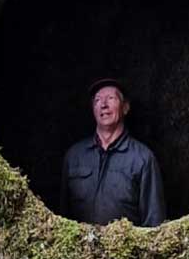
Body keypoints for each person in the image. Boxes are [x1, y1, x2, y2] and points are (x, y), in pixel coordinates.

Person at [62, 78, 165, 227]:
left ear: (125, 107)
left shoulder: (143, 158)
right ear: (93, 109)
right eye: (97, 100)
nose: (104, 105)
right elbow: (61, 218)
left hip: (127, 249)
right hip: (80, 249)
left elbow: (154, 223)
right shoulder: (74, 156)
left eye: (111, 98)